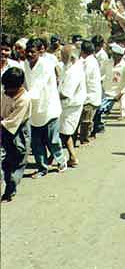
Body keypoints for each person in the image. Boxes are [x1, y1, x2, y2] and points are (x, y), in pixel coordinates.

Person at [24, 38, 66, 178]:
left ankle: (61, 161)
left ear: (39, 51)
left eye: (32, 52)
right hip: (33, 110)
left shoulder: (46, 65)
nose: (29, 55)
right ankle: (42, 168)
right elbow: (25, 84)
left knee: (52, 140)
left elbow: (38, 86)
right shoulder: (25, 64)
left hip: (49, 108)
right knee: (36, 143)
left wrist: (24, 99)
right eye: (27, 52)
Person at [1, 67, 31, 202]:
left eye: (9, 88)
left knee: (17, 162)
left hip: (18, 132)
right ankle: (6, 185)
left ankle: (10, 189)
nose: (6, 91)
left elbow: (13, 121)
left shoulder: (24, 99)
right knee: (5, 163)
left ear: (18, 86)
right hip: (4, 127)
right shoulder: (6, 93)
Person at [58, 45, 86, 167]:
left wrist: (51, 94)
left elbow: (66, 93)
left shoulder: (74, 71)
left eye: (63, 56)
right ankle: (72, 157)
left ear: (72, 57)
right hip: (66, 105)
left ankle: (60, 157)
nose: (61, 58)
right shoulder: (67, 67)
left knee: (64, 133)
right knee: (64, 132)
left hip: (71, 105)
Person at [79, 40, 102, 144]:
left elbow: (84, 78)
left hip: (89, 96)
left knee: (86, 120)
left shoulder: (89, 62)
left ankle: (84, 139)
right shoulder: (90, 60)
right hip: (90, 95)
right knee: (86, 119)